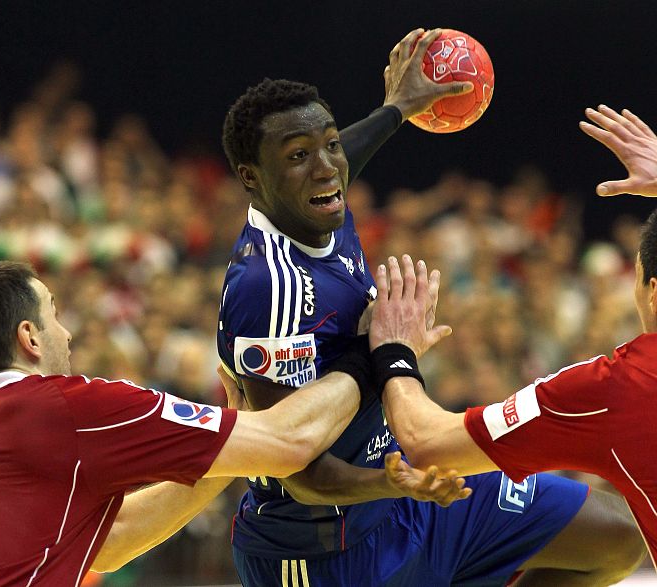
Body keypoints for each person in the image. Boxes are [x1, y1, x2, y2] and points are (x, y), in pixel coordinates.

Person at [217, 29, 644, 586]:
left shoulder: (316, 204)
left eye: (331, 145)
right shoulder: (267, 290)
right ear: (252, 179)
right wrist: (393, 474)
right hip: (329, 549)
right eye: (300, 156)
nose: (327, 168)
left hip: (406, 490)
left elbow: (334, 161)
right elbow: (295, 468)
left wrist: (397, 108)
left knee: (615, 536)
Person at [0, 261, 466, 585]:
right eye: (55, 315)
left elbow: (109, 544)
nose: (68, 333)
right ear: (28, 337)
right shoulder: (59, 407)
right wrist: (381, 351)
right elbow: (291, 441)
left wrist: (230, 450)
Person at [370, 106, 657, 572]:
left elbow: (426, 442)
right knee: (615, 536)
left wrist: (393, 350)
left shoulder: (610, 390)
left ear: (653, 292)